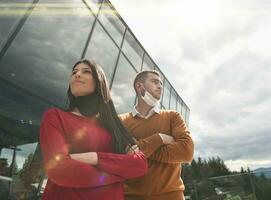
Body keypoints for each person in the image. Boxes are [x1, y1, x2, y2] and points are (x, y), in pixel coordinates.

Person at [39, 59, 147, 200]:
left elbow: (139, 164)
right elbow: (59, 169)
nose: (77, 75)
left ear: (99, 81)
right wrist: (119, 174)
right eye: (74, 72)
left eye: (86, 71)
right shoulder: (55, 116)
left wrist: (94, 157)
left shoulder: (113, 127)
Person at [119, 70, 194, 200]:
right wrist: (160, 138)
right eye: (154, 82)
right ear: (139, 86)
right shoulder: (121, 121)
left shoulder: (173, 116)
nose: (160, 86)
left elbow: (186, 151)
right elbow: (122, 157)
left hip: (172, 196)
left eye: (161, 83)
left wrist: (139, 149)